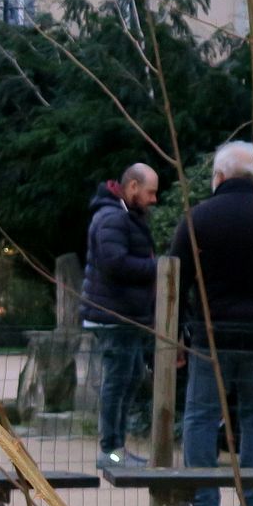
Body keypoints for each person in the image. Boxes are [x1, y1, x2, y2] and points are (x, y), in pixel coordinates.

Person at [168, 141, 253, 506]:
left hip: (211, 335)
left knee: (200, 416)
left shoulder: (198, 218)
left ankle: (204, 503)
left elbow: (173, 281)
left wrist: (178, 333)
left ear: (219, 176)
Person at [80, 162, 159, 471]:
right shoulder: (114, 218)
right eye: (150, 192)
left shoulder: (121, 216)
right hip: (114, 315)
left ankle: (115, 447)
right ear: (133, 187)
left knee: (129, 377)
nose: (154, 199)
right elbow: (115, 263)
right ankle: (111, 449)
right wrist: (160, 268)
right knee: (118, 380)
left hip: (122, 314)